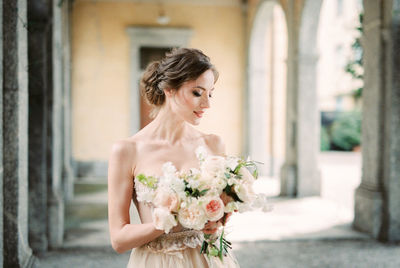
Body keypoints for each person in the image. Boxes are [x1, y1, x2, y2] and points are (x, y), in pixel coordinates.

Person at [107, 48, 240, 267]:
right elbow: (119, 240)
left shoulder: (213, 144)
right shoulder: (127, 150)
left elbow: (221, 212)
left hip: (208, 259)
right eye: (197, 93)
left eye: (210, 93)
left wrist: (218, 219)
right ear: (169, 89)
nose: (207, 104)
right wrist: (167, 220)